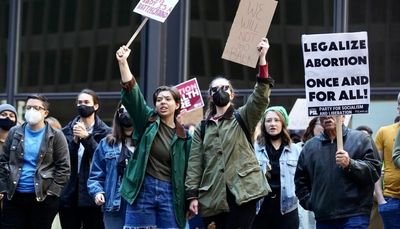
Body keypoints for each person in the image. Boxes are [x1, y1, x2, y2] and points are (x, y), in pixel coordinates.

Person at [185, 38, 274, 229]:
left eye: (225, 88)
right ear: (210, 95)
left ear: (232, 94)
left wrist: (262, 58)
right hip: (213, 196)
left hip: (242, 194)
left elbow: (260, 98)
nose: (220, 91)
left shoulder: (243, 117)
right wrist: (192, 195)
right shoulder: (202, 128)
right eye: (215, 89)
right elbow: (194, 163)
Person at [116, 45, 192, 229]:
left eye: (167, 99)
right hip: (143, 189)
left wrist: (191, 198)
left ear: (177, 104)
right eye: (159, 100)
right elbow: (133, 94)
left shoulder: (185, 137)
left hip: (171, 193)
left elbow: (191, 172)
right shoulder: (147, 120)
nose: (162, 102)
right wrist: (123, 62)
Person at [295, 115, 381, 228]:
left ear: (343, 116)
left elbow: (374, 171)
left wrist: (350, 164)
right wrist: (312, 203)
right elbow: (301, 180)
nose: (327, 115)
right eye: (324, 112)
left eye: (333, 112)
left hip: (355, 214)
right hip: (324, 216)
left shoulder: (362, 140)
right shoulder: (310, 147)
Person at [0, 94, 71, 229]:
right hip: (14, 196)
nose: (31, 110)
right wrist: (3, 188)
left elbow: (64, 167)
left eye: (36, 108)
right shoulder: (14, 132)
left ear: (45, 113)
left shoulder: (56, 135)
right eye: (28, 107)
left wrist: (52, 192)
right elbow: (3, 161)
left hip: (43, 198)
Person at [60, 89, 111, 229]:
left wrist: (87, 138)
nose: (83, 105)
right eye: (80, 102)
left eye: (87, 102)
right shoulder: (65, 132)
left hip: (93, 194)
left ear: (96, 106)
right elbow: (63, 160)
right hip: (69, 193)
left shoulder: (107, 133)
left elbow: (105, 159)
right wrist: (75, 141)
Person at [252, 106, 301, 229]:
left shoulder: (295, 150)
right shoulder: (254, 149)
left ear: (283, 123)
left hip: (288, 209)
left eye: (276, 120)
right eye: (268, 121)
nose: (272, 124)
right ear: (264, 124)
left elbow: (303, 178)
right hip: (260, 208)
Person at [87, 102, 134, 229]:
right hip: (113, 205)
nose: (126, 113)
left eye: (130, 109)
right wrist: (97, 192)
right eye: (122, 110)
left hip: (139, 206)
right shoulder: (106, 143)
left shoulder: (146, 143)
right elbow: (95, 175)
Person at [374, 92, 400, 228]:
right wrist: (380, 198)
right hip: (391, 199)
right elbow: (375, 166)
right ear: (398, 108)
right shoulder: (384, 131)